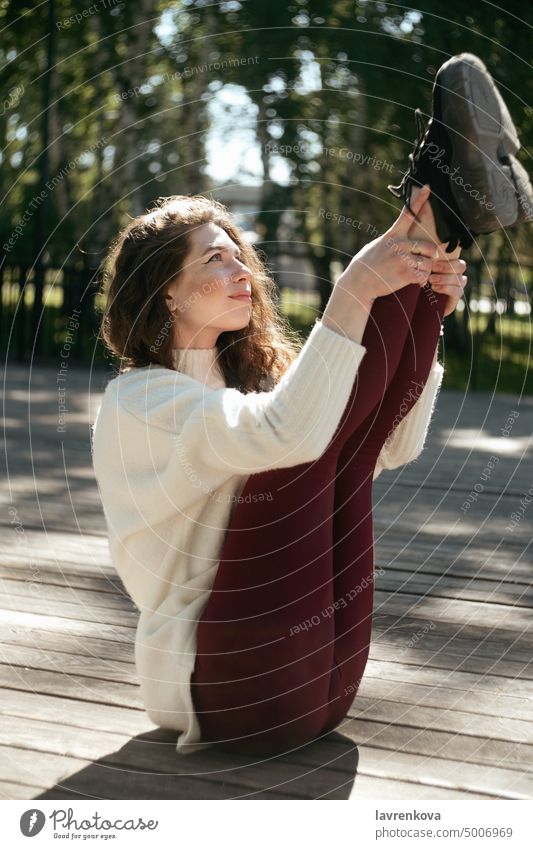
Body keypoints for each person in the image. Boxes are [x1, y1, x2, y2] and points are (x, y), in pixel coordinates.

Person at [91, 52, 532, 756]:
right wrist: (354, 293)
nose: (240, 270)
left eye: (239, 254)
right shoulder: (138, 400)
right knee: (300, 445)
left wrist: (428, 313)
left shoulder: (253, 391)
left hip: (319, 668)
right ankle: (429, 208)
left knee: (335, 450)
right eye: (213, 259)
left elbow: (389, 447)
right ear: (165, 292)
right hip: (228, 676)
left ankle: (436, 223)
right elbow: (292, 437)